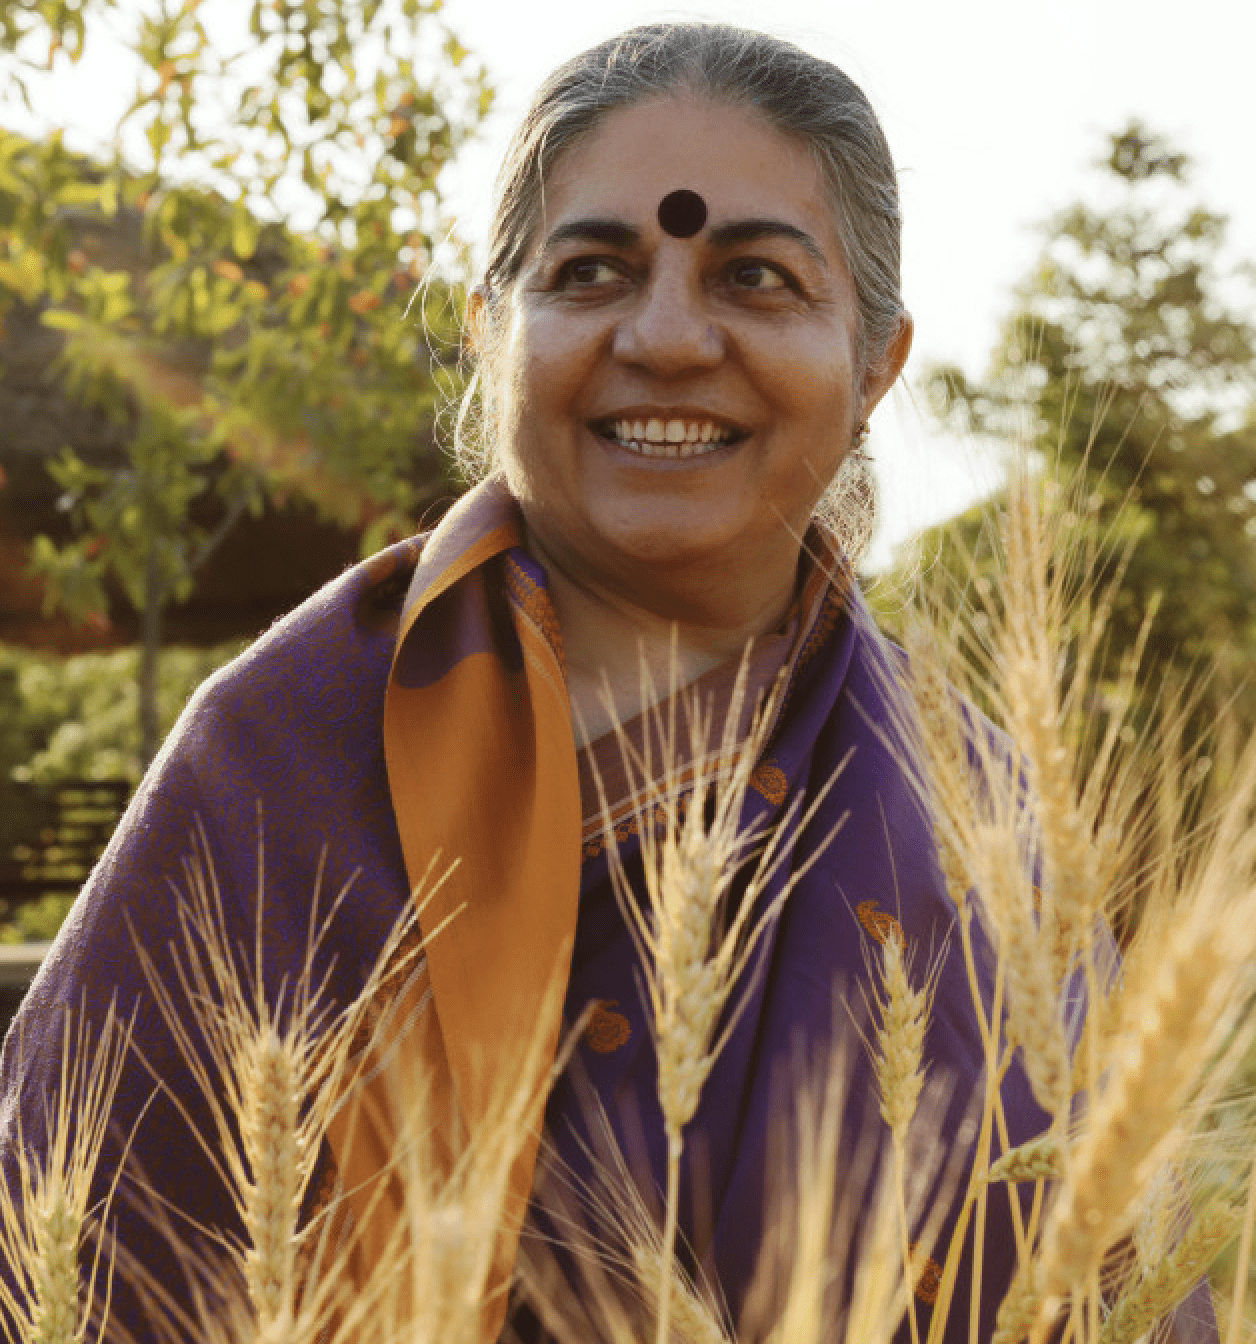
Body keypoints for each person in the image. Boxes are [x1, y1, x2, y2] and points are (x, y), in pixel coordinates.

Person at [0, 22, 1218, 1344]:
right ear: (488, 327)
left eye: (754, 277)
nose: (669, 336)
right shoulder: (279, 759)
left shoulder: (991, 830)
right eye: (593, 271)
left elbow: (1115, 1292)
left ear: (877, 362)